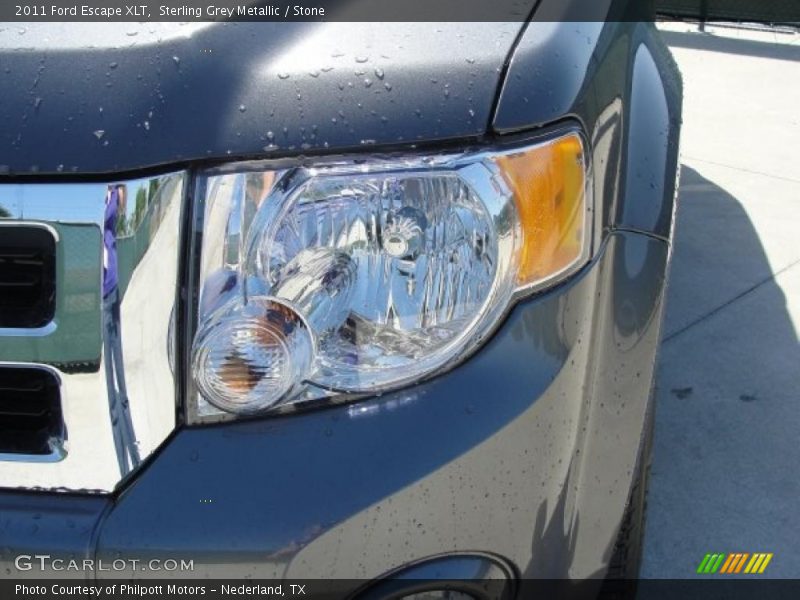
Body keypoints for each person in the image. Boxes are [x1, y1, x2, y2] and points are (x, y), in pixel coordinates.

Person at [102, 184, 141, 475]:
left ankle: (132, 457)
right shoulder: (105, 197)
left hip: (111, 289)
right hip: (102, 292)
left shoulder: (115, 193)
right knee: (110, 388)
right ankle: (123, 461)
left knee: (121, 382)